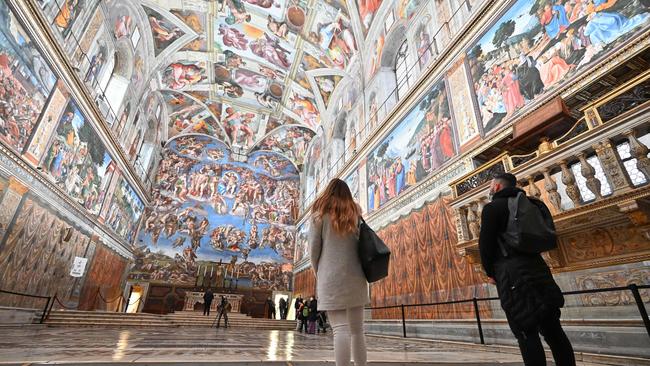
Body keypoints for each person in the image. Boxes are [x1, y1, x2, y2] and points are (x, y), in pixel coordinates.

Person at [478, 173, 575, 366]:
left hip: (512, 275)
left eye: (490, 185)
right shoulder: (532, 204)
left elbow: (485, 245)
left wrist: (490, 273)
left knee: (526, 333)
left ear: (497, 187)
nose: (489, 188)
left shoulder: (493, 208)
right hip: (538, 268)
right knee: (554, 331)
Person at [310, 178, 368, 366]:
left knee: (340, 329)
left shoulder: (319, 213)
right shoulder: (356, 212)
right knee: (358, 330)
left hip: (331, 276)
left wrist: (318, 272)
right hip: (356, 276)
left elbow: (314, 249)